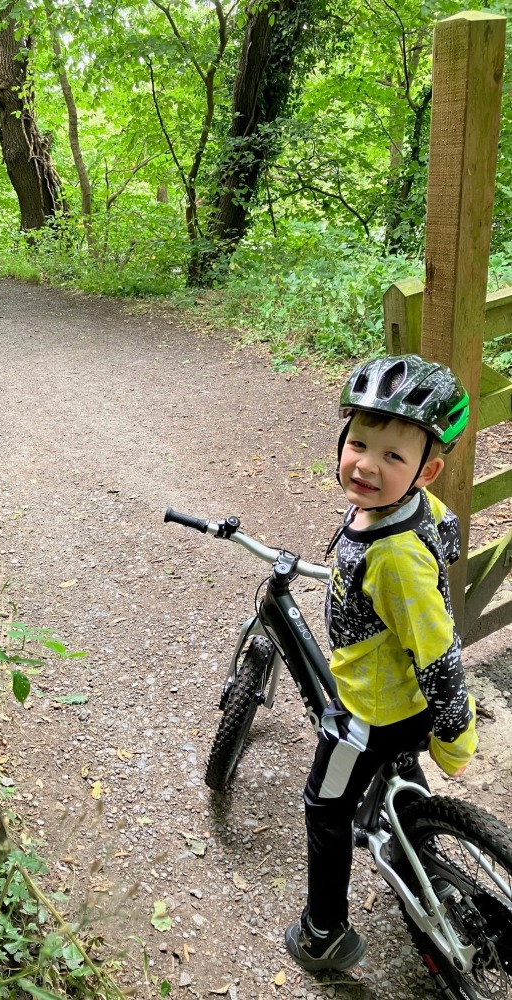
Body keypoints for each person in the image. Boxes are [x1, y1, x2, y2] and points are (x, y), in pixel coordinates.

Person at [284, 354, 478, 973]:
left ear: (429, 469)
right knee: (398, 765)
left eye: (393, 457)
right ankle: (417, 834)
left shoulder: (393, 559)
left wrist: (455, 730)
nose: (367, 464)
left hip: (371, 708)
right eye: (359, 442)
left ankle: (323, 933)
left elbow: (437, 647)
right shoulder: (408, 512)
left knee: (324, 805)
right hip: (402, 698)